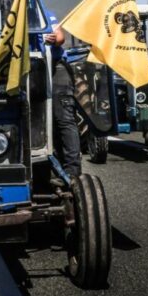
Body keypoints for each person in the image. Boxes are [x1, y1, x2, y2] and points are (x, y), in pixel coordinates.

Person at [44, 10, 81, 178]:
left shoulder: (43, 13)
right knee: (42, 120)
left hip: (55, 65)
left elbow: (59, 37)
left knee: (64, 118)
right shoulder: (14, 15)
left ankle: (72, 171)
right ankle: (48, 168)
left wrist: (50, 39)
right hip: (33, 67)